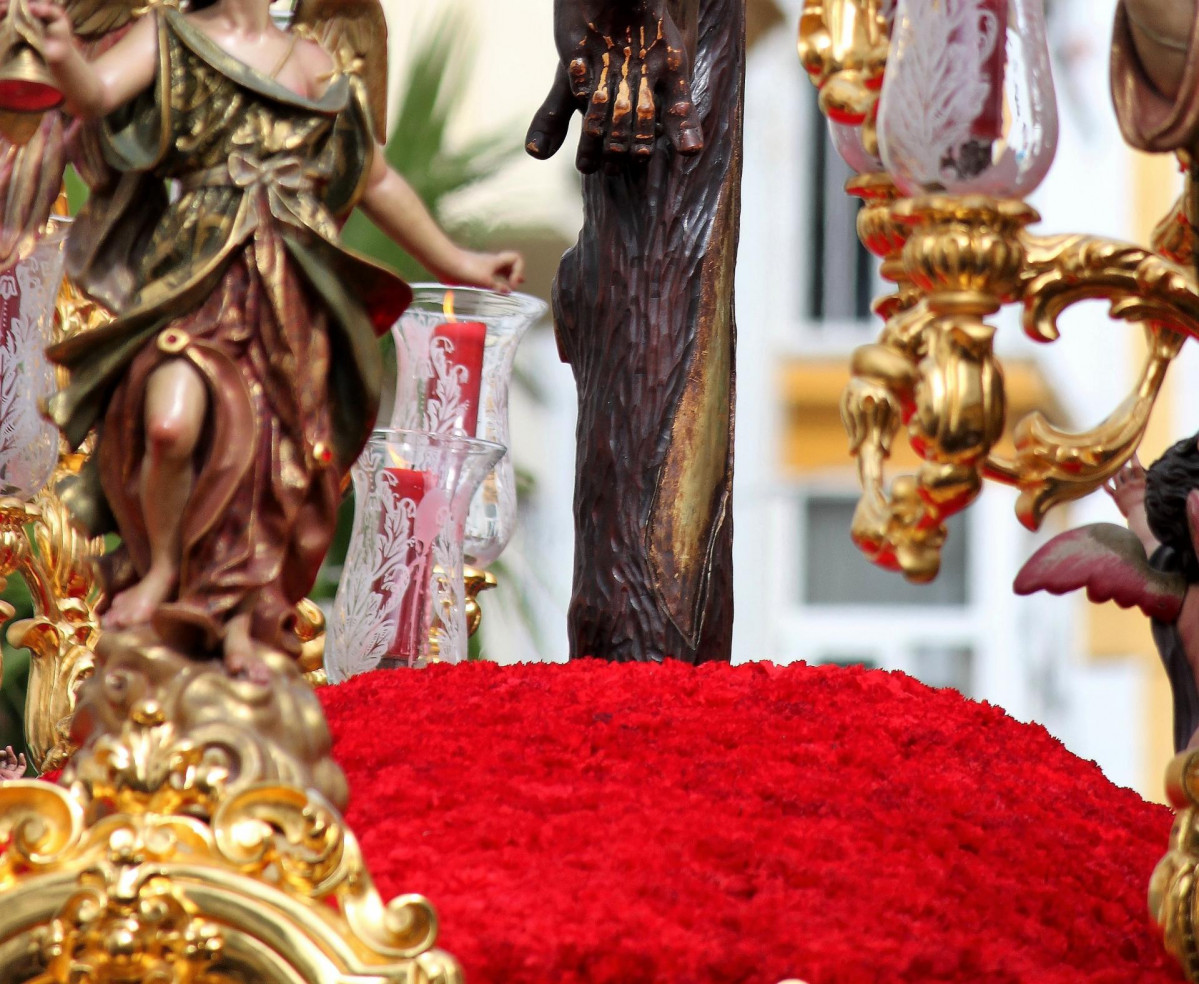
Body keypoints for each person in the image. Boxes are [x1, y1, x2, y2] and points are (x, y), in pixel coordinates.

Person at [21, 0, 523, 677]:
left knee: (270, 465)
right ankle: (164, 569)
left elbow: (371, 174)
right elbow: (98, 94)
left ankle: (244, 620)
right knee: (169, 426)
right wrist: (60, 55)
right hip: (196, 277)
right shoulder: (168, 36)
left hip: (289, 296)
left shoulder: (311, 61)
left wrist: (455, 263)